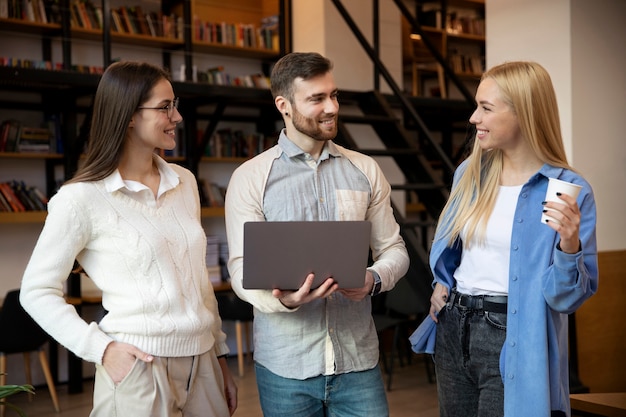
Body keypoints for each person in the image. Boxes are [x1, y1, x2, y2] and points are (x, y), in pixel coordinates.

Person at [19, 61, 237, 417]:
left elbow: (199, 282)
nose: (177, 116)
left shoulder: (185, 182)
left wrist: (221, 358)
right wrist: (102, 350)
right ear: (129, 115)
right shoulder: (80, 199)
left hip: (204, 365)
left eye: (175, 104)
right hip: (138, 368)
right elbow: (36, 291)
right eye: (165, 107)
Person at [224, 52, 410, 417]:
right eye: (316, 99)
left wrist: (372, 279)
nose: (331, 107)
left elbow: (395, 249)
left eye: (334, 95)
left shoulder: (365, 170)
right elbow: (241, 270)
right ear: (284, 105)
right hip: (285, 367)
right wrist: (284, 301)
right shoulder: (250, 177)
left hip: (358, 362)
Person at [411, 61, 598, 417]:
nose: (472, 118)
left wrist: (569, 246)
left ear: (523, 114)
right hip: (454, 325)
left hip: (513, 334)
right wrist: (441, 281)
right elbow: (455, 249)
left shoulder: (565, 191)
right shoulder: (469, 173)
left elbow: (566, 299)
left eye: (485, 108)